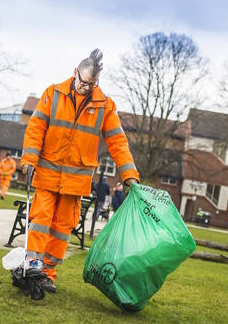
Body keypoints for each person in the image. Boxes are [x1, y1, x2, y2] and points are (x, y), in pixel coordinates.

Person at [20, 49, 139, 294]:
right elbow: (35, 128)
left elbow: (117, 141)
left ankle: (47, 274)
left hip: (76, 180)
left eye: (91, 84)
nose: (86, 87)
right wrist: (29, 159)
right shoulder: (52, 94)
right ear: (75, 73)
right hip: (48, 172)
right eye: (83, 82)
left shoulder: (105, 105)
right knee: (40, 221)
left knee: (62, 228)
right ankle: (32, 266)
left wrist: (129, 174)